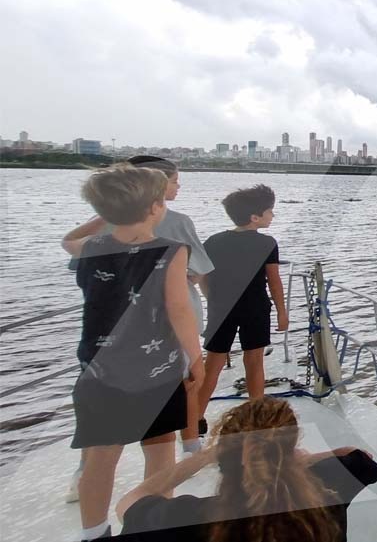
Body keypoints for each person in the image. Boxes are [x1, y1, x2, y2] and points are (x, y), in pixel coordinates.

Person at [60, 164, 205, 541]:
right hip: (156, 373)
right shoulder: (172, 252)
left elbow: (67, 240)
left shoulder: (91, 247)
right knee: (159, 450)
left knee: (101, 456)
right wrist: (196, 359)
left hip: (99, 372)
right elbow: (179, 310)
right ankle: (153, 521)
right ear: (156, 207)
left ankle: (94, 533)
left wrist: (102, 217)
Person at [116, 398, 377, 542]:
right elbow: (360, 458)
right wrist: (304, 461)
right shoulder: (330, 491)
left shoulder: (188, 517)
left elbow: (133, 499)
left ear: (225, 459)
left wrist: (207, 455)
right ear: (290, 451)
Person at [198, 184, 288, 421]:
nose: (273, 215)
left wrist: (212, 299)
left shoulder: (214, 241)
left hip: (221, 309)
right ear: (255, 217)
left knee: (212, 364)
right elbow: (274, 281)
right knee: (254, 361)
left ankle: (195, 418)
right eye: (270, 211)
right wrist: (282, 312)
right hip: (255, 308)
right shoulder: (267, 243)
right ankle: (256, 415)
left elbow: (203, 276)